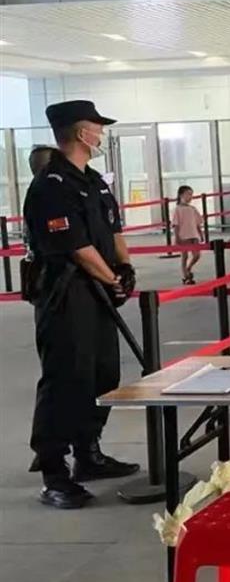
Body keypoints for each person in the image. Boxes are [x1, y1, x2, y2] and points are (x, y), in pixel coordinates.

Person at [23, 100, 140, 509]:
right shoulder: (51, 186)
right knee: (66, 377)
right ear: (79, 133)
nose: (101, 134)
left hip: (97, 293)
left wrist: (125, 268)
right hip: (66, 294)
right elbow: (76, 247)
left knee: (103, 373)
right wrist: (112, 278)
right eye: (96, 127)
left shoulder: (94, 182)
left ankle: (88, 454)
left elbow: (114, 230)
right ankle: (54, 472)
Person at [172, 185, 205, 285]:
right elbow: (176, 225)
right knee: (184, 256)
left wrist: (201, 234)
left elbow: (197, 223)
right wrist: (177, 237)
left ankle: (188, 268)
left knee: (197, 255)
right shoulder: (177, 209)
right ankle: (185, 275)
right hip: (183, 236)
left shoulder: (193, 209)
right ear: (181, 195)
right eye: (188, 194)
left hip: (194, 235)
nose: (190, 197)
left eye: (191, 194)